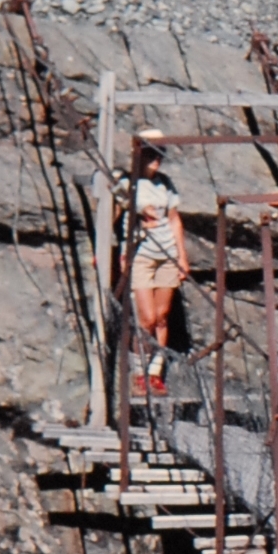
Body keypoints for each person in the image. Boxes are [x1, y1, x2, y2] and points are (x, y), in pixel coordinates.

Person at [124, 137, 188, 399]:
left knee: (162, 317)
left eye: (160, 153)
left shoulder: (165, 184)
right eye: (152, 154)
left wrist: (182, 258)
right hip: (143, 255)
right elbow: (121, 216)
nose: (157, 159)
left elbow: (174, 220)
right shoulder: (128, 184)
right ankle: (139, 372)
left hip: (167, 254)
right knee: (147, 318)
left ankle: (154, 373)